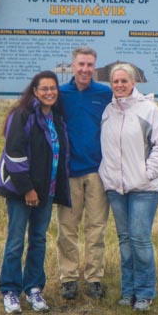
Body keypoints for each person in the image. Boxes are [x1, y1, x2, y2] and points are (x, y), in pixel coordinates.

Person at [0, 70, 71, 314]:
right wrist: (27, 189)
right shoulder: (22, 115)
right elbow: (14, 154)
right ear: (35, 92)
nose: (49, 93)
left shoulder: (56, 117)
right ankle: (10, 291)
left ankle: (34, 289)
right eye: (44, 89)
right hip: (21, 192)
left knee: (38, 240)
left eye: (53, 88)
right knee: (16, 241)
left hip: (46, 191)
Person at [99, 63, 158, 311]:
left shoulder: (148, 109)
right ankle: (127, 291)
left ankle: (144, 293)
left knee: (140, 239)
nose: (119, 85)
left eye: (124, 81)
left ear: (133, 83)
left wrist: (146, 174)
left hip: (144, 188)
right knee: (125, 240)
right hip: (116, 188)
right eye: (115, 81)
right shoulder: (108, 111)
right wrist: (107, 175)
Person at [57, 47, 112, 300]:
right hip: (69, 172)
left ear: (95, 66)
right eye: (81, 64)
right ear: (72, 65)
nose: (85, 69)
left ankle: (94, 278)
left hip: (97, 172)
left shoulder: (104, 93)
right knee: (67, 227)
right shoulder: (60, 94)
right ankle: (68, 278)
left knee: (96, 227)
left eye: (90, 64)